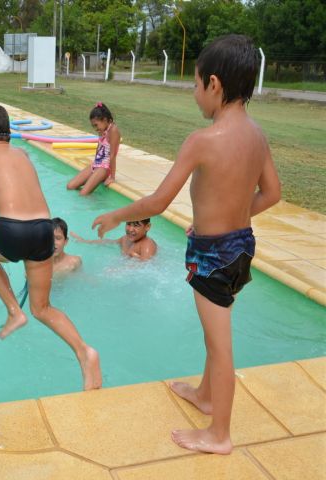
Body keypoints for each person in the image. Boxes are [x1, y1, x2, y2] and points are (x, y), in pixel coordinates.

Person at [91, 35, 281, 454]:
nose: (195, 94)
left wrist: (115, 216)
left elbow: (158, 201)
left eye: (195, 85)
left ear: (213, 84)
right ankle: (206, 395)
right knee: (217, 329)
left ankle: (220, 434)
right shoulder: (258, 135)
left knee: (220, 344)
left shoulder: (203, 140)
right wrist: (232, 220)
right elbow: (271, 194)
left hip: (212, 256)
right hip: (241, 247)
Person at [0, 104, 102, 391]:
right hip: (43, 231)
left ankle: (14, 311)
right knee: (43, 308)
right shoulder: (22, 154)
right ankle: (85, 353)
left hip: (13, 229)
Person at [67, 102, 120, 196]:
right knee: (70, 186)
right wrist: (94, 167)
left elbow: (112, 155)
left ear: (104, 119)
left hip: (105, 167)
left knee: (83, 194)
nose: (95, 128)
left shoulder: (113, 130)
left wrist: (112, 177)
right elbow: (99, 148)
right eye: (93, 126)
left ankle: (98, 204)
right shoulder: (103, 129)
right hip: (96, 164)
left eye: (96, 125)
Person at [71, 219, 157, 261]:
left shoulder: (147, 246)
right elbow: (109, 242)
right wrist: (85, 241)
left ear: (147, 227)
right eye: (128, 224)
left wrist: (116, 271)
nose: (130, 229)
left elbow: (146, 267)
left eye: (136, 225)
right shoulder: (126, 238)